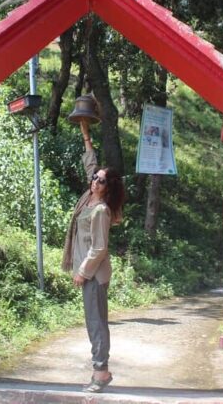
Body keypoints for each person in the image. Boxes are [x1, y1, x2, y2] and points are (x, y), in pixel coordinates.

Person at [61, 120, 125, 393]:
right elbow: (91, 164)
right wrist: (86, 135)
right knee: (93, 321)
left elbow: (99, 248)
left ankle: (101, 372)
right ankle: (101, 370)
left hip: (95, 275)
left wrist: (83, 272)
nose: (94, 180)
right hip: (89, 273)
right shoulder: (89, 196)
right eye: (94, 177)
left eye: (100, 180)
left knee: (96, 322)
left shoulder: (100, 211)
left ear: (107, 188)